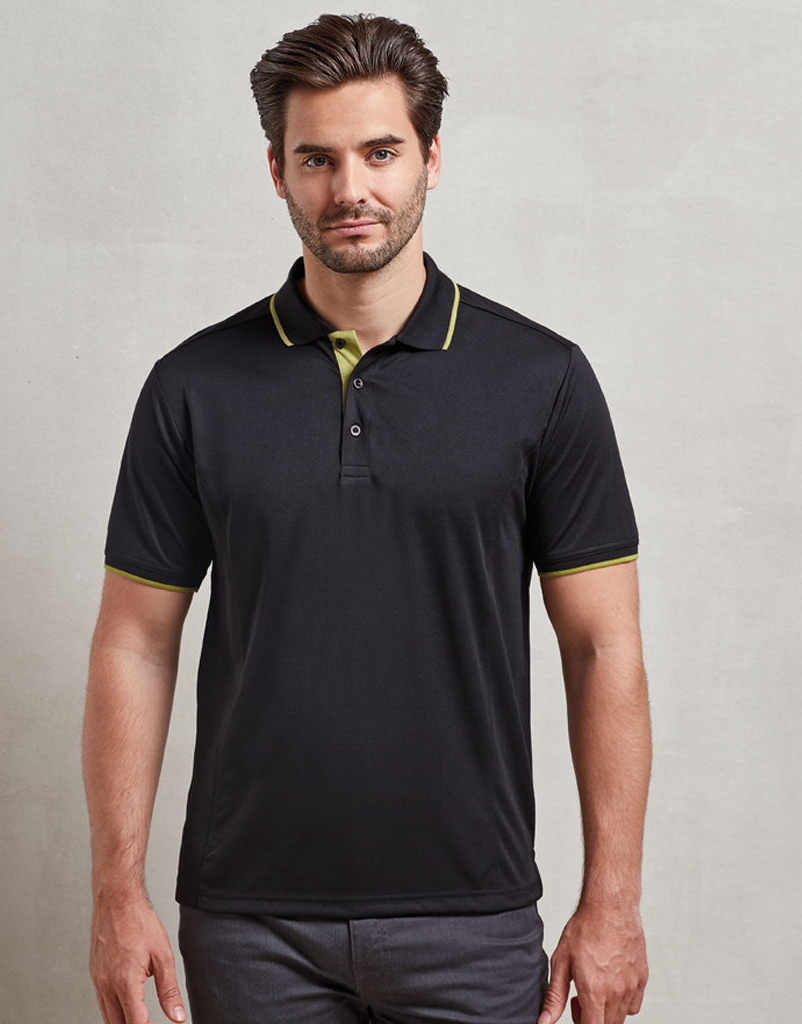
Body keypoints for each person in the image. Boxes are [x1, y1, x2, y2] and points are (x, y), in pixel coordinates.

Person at [82, 14, 651, 1024]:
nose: (351, 189)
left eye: (381, 152)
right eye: (318, 159)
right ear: (277, 171)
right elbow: (134, 642)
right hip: (249, 925)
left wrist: (612, 903)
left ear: (431, 157)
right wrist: (115, 897)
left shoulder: (542, 380)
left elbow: (603, 648)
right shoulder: (192, 388)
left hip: (472, 919)